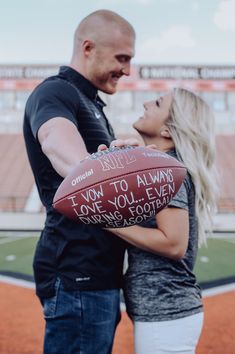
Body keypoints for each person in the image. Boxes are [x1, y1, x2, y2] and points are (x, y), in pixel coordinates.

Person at [23, 10, 135, 354]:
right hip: (77, 274)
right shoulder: (56, 92)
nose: (127, 70)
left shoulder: (91, 102)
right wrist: (91, 169)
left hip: (94, 274)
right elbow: (57, 140)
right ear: (88, 48)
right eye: (122, 58)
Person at [106, 88, 218, 354]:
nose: (145, 102)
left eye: (157, 103)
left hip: (167, 311)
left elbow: (173, 244)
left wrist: (108, 222)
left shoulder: (166, 168)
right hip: (165, 312)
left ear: (168, 130)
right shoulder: (162, 165)